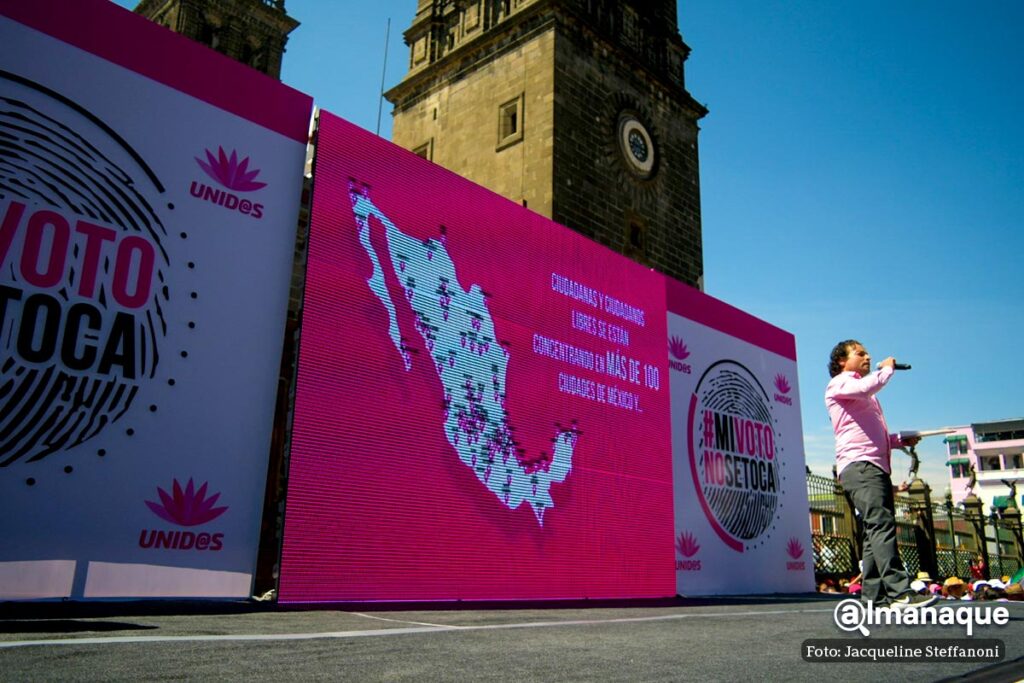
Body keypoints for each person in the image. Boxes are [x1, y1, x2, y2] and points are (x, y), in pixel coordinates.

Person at [825, 340, 938, 608]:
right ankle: (899, 592)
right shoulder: (840, 383)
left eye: (867, 354)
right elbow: (867, 385)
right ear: (842, 361)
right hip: (860, 465)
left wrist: (898, 440)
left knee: (873, 529)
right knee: (881, 524)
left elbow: (872, 433)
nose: (867, 357)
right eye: (860, 353)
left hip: (873, 465)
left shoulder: (865, 394)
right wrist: (887, 370)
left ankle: (874, 597)